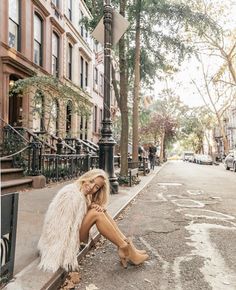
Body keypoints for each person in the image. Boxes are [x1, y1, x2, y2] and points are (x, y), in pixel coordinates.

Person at [38, 168, 148, 272]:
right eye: (91, 181)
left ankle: (126, 244)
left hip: (74, 232)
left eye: (96, 187)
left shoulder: (83, 194)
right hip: (63, 238)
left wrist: (92, 206)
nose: (91, 187)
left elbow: (78, 215)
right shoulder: (70, 195)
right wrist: (91, 210)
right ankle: (125, 249)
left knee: (101, 211)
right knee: (97, 213)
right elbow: (62, 226)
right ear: (86, 177)